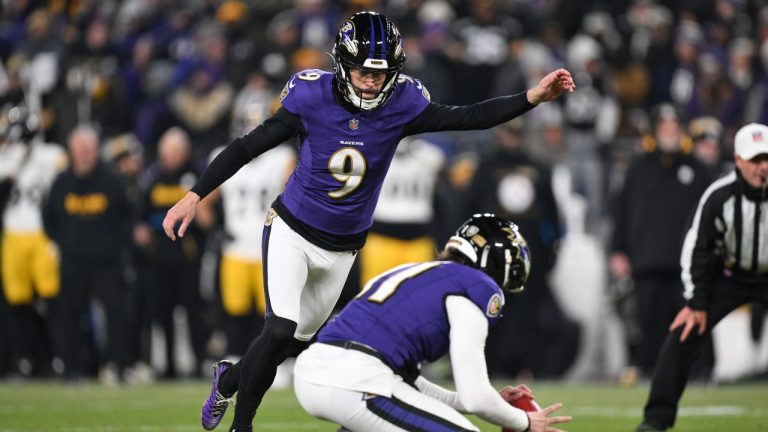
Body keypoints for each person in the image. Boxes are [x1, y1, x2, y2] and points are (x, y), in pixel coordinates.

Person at [161, 11, 574, 432]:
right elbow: (248, 146)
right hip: (292, 230)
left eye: (380, 74)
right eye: (362, 72)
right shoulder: (311, 97)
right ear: (342, 64)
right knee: (281, 329)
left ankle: (228, 378)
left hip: (343, 246)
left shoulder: (403, 105)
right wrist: (195, 195)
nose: (371, 82)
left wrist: (532, 97)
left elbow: (468, 117)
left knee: (294, 343)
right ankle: (242, 425)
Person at [293, 214, 571, 432]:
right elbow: (475, 396)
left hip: (318, 372)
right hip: (357, 380)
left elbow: (404, 382)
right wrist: (524, 422)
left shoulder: (414, 271)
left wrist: (492, 401)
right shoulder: (478, 286)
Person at [636, 122, 768, 432]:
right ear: (737, 160)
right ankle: (655, 421)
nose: (763, 167)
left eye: (767, 159)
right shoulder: (719, 196)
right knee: (683, 333)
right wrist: (695, 302)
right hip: (730, 276)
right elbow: (697, 248)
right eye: (755, 160)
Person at [610, 103, 713, 380]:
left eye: (673, 126)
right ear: (655, 131)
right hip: (647, 261)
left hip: (688, 265)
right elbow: (621, 213)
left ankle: (698, 373)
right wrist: (618, 250)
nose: (669, 132)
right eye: (664, 127)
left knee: (691, 322)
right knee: (650, 324)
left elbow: (710, 217)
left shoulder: (699, 171)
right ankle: (649, 373)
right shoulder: (638, 169)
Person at [43, 125, 132, 382]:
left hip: (106, 262)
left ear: (96, 151)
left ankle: (118, 366)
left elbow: (126, 216)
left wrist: (117, 245)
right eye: (79, 149)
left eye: (88, 149)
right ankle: (71, 368)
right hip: (72, 262)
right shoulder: (61, 183)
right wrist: (64, 242)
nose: (84, 154)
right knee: (68, 316)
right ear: (71, 151)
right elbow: (48, 218)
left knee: (116, 313)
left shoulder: (111, 181)